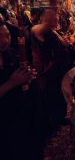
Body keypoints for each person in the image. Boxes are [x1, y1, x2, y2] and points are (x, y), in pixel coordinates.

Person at [0, 21, 42, 160]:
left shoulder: (10, 53)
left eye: (7, 36)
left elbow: (20, 75)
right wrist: (12, 83)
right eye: (0, 37)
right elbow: (13, 81)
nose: (5, 41)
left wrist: (28, 76)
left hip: (19, 111)